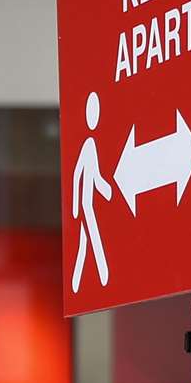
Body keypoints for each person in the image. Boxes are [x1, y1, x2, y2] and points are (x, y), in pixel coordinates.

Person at [71, 91, 112, 291]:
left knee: (83, 243)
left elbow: (94, 175)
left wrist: (105, 189)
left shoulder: (91, 144)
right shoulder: (88, 145)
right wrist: (74, 206)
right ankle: (104, 273)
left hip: (87, 202)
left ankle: (77, 282)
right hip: (85, 204)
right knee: (93, 236)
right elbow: (78, 173)